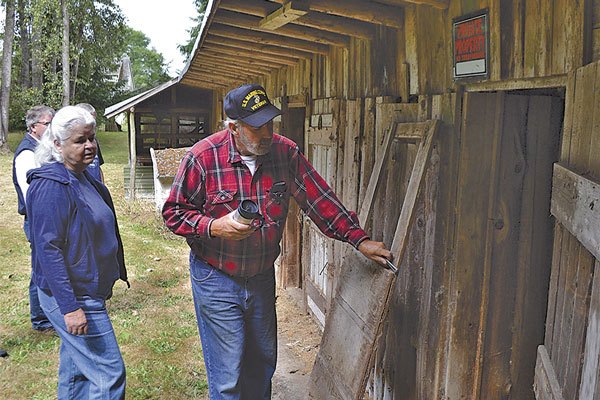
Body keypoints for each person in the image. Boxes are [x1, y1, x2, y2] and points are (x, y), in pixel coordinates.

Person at [162, 83, 392, 399]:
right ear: (233, 127)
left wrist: (359, 239)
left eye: (270, 122)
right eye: (257, 127)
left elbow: (320, 200)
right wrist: (216, 226)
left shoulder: (285, 153)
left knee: (261, 365)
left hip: (259, 276)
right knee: (229, 375)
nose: (267, 132)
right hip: (216, 276)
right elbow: (174, 213)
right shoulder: (202, 157)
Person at [26, 106, 129, 399]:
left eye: (91, 138)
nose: (90, 146)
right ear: (57, 144)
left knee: (78, 372)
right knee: (109, 374)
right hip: (74, 296)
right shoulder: (52, 185)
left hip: (89, 291)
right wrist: (70, 307)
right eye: (80, 140)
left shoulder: (83, 177)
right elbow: (48, 251)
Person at [12, 104, 55, 333]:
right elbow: (32, 195)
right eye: (48, 123)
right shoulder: (27, 154)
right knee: (40, 268)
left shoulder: (43, 148)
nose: (51, 127)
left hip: (47, 218)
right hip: (38, 219)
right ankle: (40, 319)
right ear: (33, 126)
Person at [75, 102, 105, 182]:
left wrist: (102, 187)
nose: (93, 125)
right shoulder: (70, 145)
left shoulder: (93, 141)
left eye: (94, 121)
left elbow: (98, 167)